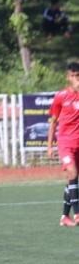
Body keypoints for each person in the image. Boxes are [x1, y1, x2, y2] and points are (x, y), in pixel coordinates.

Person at [46, 62, 79, 226]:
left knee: (73, 179)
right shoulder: (61, 96)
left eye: (78, 76)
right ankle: (77, 213)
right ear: (68, 77)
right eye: (72, 76)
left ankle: (64, 217)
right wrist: (49, 146)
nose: (75, 79)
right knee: (72, 173)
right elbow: (53, 122)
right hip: (65, 143)